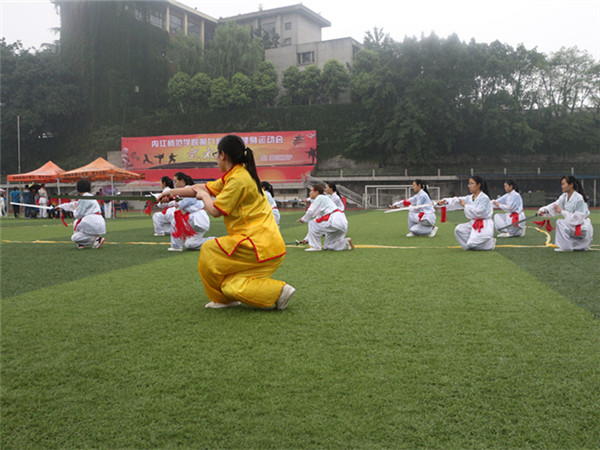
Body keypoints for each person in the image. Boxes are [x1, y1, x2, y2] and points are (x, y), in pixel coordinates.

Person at [158, 134, 294, 310]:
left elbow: (215, 210)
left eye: (216, 154)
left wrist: (205, 197)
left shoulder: (237, 179)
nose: (216, 159)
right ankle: (279, 292)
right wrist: (171, 193)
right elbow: (200, 188)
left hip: (256, 243)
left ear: (223, 155)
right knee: (231, 287)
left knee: (209, 250)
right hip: (267, 246)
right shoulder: (237, 174)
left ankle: (220, 299)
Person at [537, 175, 594, 252]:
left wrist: (561, 211)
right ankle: (575, 245)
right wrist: (543, 210)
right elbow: (555, 206)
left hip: (582, 226)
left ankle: (566, 247)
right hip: (574, 226)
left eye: (564, 184)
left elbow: (578, 219)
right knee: (578, 247)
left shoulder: (579, 198)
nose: (562, 186)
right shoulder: (564, 197)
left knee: (560, 223)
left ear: (571, 185)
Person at [438, 176, 495, 251]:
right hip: (474, 223)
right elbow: (457, 200)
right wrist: (445, 201)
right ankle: (469, 246)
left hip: (484, 224)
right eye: (469, 184)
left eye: (472, 184)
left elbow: (479, 213)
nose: (469, 186)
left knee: (472, 244)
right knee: (459, 229)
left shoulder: (484, 198)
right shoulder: (470, 198)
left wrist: (465, 205)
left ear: (478, 185)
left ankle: (489, 244)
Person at [297, 183, 354, 252]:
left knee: (312, 223)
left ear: (316, 192)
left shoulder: (320, 197)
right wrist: (307, 239)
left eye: (311, 191)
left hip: (334, 220)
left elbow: (310, 211)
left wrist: (303, 219)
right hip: (342, 222)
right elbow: (317, 221)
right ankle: (345, 242)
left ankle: (315, 247)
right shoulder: (324, 199)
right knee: (327, 246)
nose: (309, 193)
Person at [167, 172, 212, 251]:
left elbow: (181, 204)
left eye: (175, 181)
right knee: (190, 244)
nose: (174, 184)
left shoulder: (188, 190)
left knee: (176, 221)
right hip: (200, 220)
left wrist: (169, 201)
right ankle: (216, 241)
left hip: (196, 218)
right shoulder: (187, 190)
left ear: (181, 181)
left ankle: (176, 246)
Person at [57, 179, 106, 249]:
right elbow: (74, 204)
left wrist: (74, 210)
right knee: (78, 224)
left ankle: (95, 239)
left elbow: (77, 215)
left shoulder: (83, 198)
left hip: (91, 222)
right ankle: (86, 241)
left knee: (75, 236)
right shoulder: (90, 197)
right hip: (98, 222)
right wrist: (60, 206)